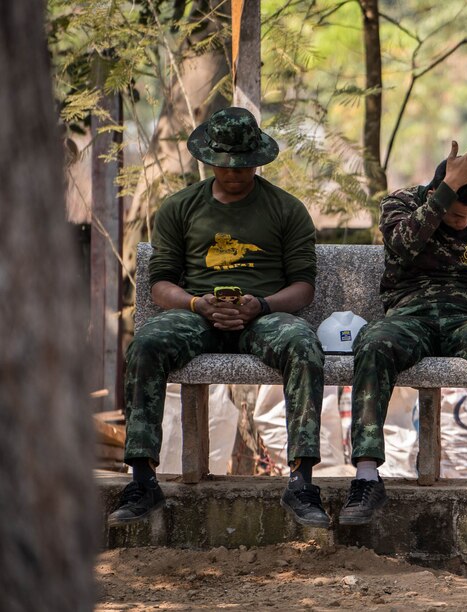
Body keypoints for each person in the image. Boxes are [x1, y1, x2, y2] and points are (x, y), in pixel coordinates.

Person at [108, 108, 331, 529]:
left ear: (258, 160)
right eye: (225, 165)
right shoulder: (180, 207)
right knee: (146, 344)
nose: (234, 174)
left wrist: (260, 305)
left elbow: (304, 287)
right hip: (198, 313)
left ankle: (301, 480)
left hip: (263, 315)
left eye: (244, 166)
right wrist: (198, 304)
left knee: (303, 344)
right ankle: (142, 479)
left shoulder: (286, 209)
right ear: (208, 160)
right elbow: (161, 284)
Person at [341, 138, 467, 525]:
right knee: (374, 342)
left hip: (464, 322)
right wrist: (443, 196)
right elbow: (402, 246)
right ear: (436, 192)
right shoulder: (400, 204)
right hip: (408, 317)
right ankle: (367, 476)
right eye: (455, 217)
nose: (464, 223)